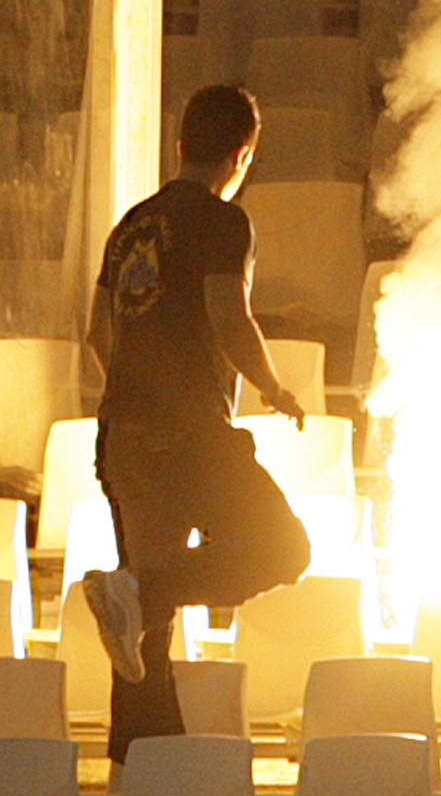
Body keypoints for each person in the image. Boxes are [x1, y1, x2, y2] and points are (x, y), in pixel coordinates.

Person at [77, 83, 310, 759]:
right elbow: (226, 312)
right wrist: (271, 385)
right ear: (242, 154)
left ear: (180, 144)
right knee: (279, 548)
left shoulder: (131, 225)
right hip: (190, 432)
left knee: (140, 624)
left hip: (123, 434)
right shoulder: (221, 221)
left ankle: (143, 766)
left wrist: (133, 384)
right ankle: (136, 587)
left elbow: (97, 330)